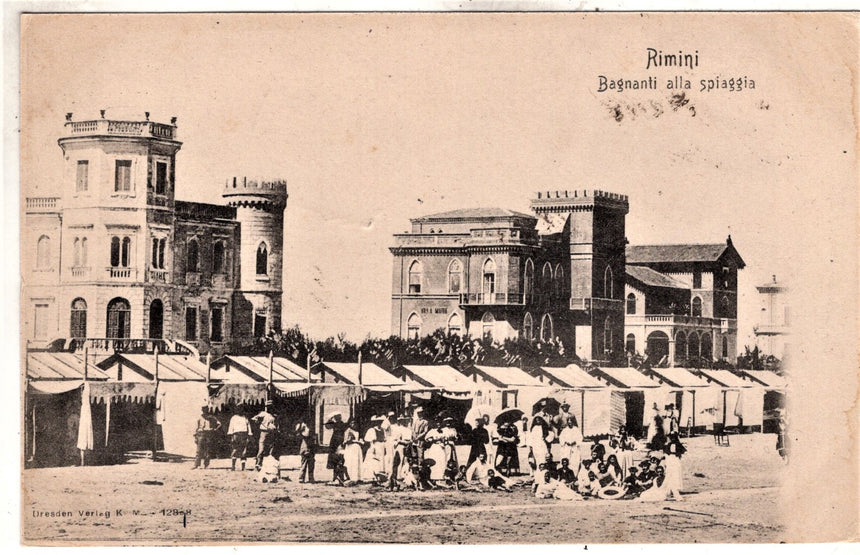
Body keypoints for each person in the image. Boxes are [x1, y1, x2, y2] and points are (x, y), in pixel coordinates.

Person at [388, 414, 413, 491]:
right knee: (395, 464)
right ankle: (393, 482)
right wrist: (396, 442)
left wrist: (400, 441)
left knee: (404, 464)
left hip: (404, 448)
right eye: (400, 421)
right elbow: (393, 439)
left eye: (403, 421)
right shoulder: (396, 429)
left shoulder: (408, 430)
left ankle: (402, 482)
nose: (402, 422)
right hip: (396, 448)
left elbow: (408, 441)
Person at [252, 401, 278, 471]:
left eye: (271, 406)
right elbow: (254, 418)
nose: (270, 408)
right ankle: (258, 464)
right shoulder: (263, 413)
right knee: (261, 449)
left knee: (271, 449)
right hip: (264, 432)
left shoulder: (274, 416)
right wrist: (258, 421)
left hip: (272, 433)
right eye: (268, 407)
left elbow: (276, 425)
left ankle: (269, 465)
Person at [192, 405, 221, 469]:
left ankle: (206, 464)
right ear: (202, 410)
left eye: (206, 409)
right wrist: (195, 436)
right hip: (201, 434)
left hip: (208, 434)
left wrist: (214, 429)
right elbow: (195, 427)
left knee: (208, 450)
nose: (205, 410)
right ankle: (196, 465)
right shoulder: (199, 417)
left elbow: (219, 424)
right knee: (199, 450)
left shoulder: (211, 417)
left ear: (208, 409)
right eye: (204, 409)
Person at [362, 417, 387, 483]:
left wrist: (384, 447)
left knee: (381, 460)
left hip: (381, 446)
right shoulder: (372, 430)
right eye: (378, 421)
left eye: (381, 422)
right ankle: (371, 475)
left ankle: (380, 476)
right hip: (375, 446)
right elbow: (371, 441)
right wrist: (373, 447)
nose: (379, 423)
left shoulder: (383, 430)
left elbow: (384, 439)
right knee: (373, 460)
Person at [325, 413, 348, 484]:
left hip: (339, 441)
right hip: (334, 442)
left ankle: (340, 477)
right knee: (335, 460)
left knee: (340, 460)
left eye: (339, 417)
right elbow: (327, 426)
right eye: (336, 417)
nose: (338, 418)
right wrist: (330, 419)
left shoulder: (343, 424)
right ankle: (335, 477)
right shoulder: (334, 424)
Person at [227, 405, 251, 471]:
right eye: (239, 409)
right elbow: (231, 427)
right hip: (236, 435)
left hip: (244, 434)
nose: (240, 410)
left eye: (242, 409)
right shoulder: (234, 418)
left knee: (244, 450)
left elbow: (248, 426)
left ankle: (243, 467)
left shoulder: (244, 417)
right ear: (237, 410)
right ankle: (233, 466)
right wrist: (231, 435)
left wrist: (249, 434)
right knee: (235, 449)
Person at [662, 432, 686, 501]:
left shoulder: (678, 445)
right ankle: (669, 493)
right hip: (670, 461)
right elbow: (666, 454)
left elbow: (682, 452)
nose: (672, 439)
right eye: (671, 437)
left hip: (675, 461)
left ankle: (669, 493)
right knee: (670, 476)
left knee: (675, 476)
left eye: (673, 437)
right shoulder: (668, 445)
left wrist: (678, 457)